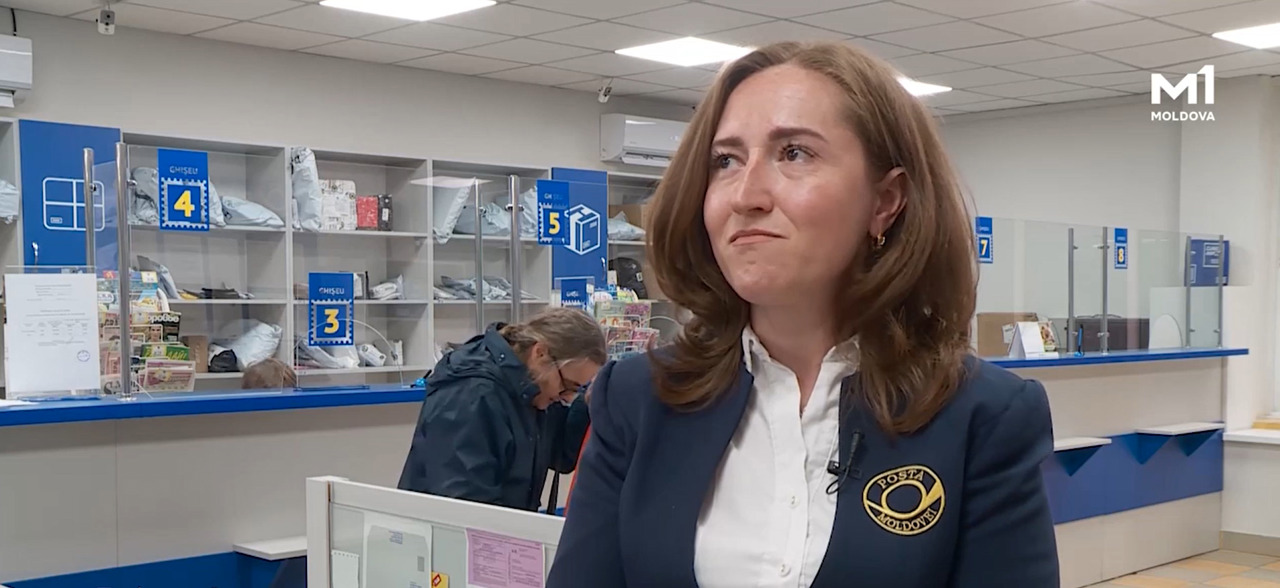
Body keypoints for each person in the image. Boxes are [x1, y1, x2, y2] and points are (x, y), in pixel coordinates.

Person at [548, 41, 1058, 588]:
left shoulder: (982, 418)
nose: (746, 195)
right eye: (726, 161)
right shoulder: (637, 399)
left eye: (794, 153)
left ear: (886, 200)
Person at [398, 307, 607, 512]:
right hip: (451, 528)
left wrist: (587, 403)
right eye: (568, 385)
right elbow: (466, 506)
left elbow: (560, 455)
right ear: (540, 353)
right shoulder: (472, 394)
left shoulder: (531, 387)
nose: (567, 397)